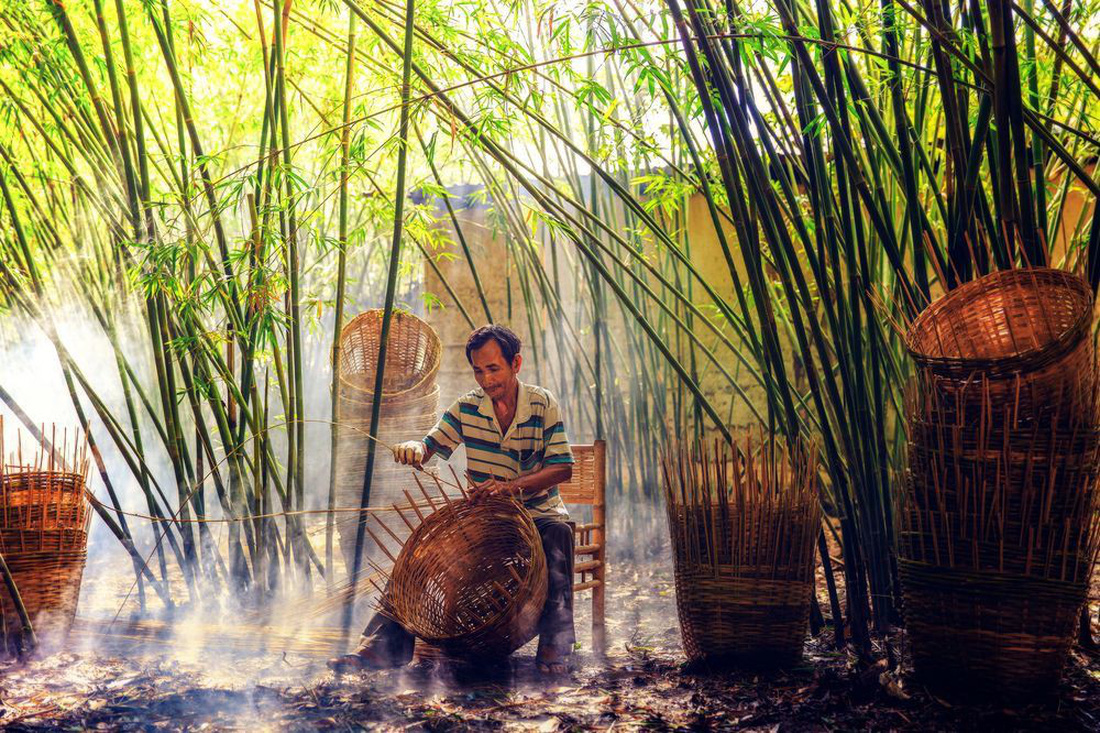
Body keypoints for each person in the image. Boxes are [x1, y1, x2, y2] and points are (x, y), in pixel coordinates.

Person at [329, 324, 577, 675]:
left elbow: (562, 468)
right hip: (485, 523)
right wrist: (415, 448)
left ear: (516, 363)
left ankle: (556, 645)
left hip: (537, 516)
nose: (486, 379)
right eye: (479, 370)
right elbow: (429, 445)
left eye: (494, 369)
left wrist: (510, 488)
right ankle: (379, 649)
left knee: (560, 534)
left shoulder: (541, 404)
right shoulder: (467, 408)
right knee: (419, 553)